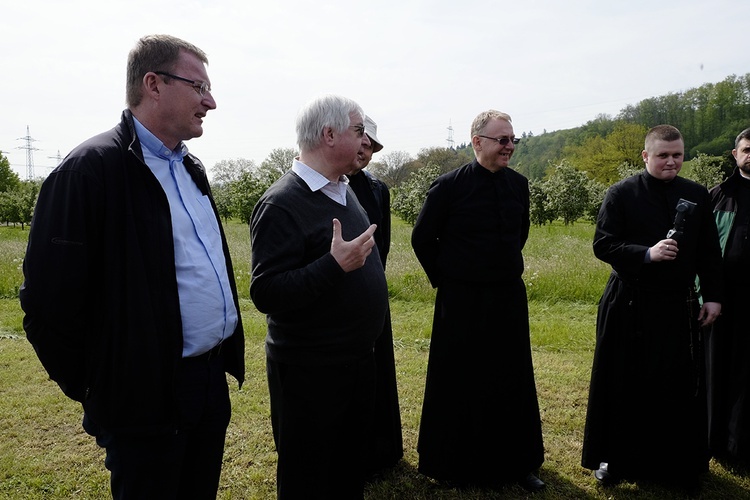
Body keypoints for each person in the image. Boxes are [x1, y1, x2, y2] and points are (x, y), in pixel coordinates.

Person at [19, 34, 245, 499]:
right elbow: (47, 304)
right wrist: (101, 392)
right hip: (141, 399)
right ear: (154, 84)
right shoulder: (89, 170)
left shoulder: (191, 168)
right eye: (199, 86)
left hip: (206, 383)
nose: (212, 101)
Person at [250, 94, 389, 499]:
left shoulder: (345, 190)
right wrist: (332, 265)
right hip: (310, 372)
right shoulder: (281, 202)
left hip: (356, 362)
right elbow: (266, 292)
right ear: (329, 134)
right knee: (309, 477)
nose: (366, 141)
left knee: (347, 470)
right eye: (359, 131)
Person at [581, 125, 723, 491]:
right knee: (623, 382)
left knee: (675, 385)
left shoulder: (696, 194)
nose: (672, 161)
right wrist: (646, 253)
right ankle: (616, 460)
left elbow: (709, 251)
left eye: (677, 154)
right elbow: (604, 245)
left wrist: (713, 296)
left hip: (677, 305)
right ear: (646, 156)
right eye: (663, 155)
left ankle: (676, 464)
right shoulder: (622, 193)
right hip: (629, 301)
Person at [411, 110, 545, 492]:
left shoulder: (519, 185)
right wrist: (449, 279)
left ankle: (519, 463)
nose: (509, 146)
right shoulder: (448, 186)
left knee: (512, 377)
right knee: (458, 379)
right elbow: (422, 239)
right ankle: (451, 463)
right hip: (461, 299)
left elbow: (520, 234)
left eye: (512, 140)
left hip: (507, 296)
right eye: (502, 140)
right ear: (477, 142)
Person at [346, 116, 404, 476]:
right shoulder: (330, 186)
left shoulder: (379, 189)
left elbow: (383, 244)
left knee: (379, 370)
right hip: (341, 290)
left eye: (371, 147)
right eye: (362, 143)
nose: (365, 151)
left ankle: (384, 449)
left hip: (373, 290)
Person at [706, 127, 750, 466]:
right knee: (718, 370)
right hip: (722, 300)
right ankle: (716, 444)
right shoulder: (717, 196)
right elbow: (702, 253)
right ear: (735, 154)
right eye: (747, 149)